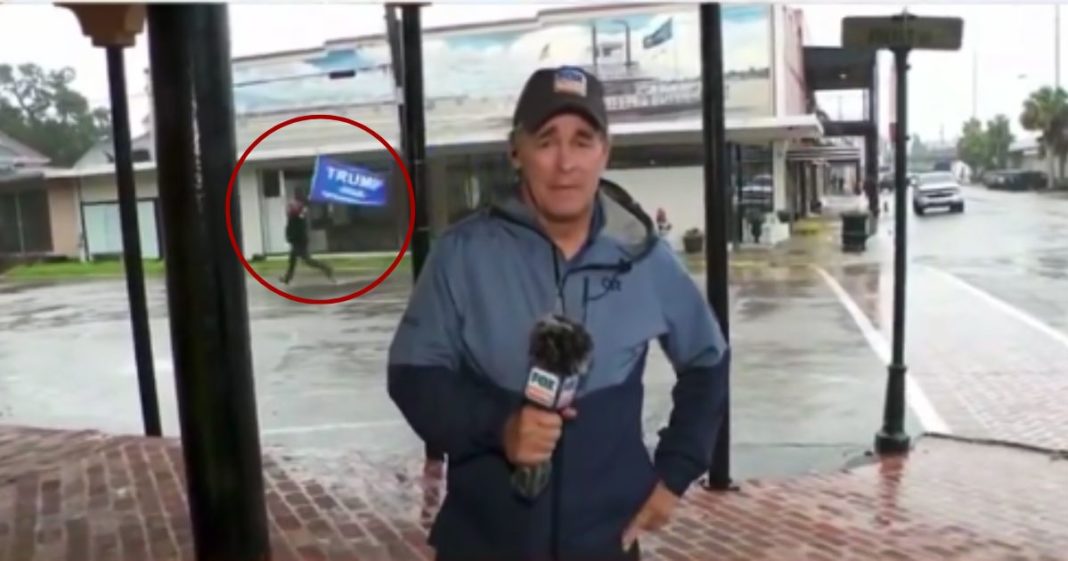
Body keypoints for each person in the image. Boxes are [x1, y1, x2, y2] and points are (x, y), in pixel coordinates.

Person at [387, 66, 729, 561]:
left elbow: (708, 361)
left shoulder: (645, 258)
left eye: (583, 140)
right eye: (546, 141)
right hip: (481, 543)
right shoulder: (462, 255)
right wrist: (500, 427)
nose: (565, 163)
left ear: (604, 152)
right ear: (516, 151)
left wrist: (675, 473)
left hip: (605, 545)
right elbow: (413, 376)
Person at [279, 191, 335, 285]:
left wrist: (292, 237)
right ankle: (287, 278)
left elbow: (296, 227)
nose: (289, 208)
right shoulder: (298, 213)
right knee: (293, 259)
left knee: (306, 260)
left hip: (299, 240)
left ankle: (327, 268)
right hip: (297, 239)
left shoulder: (298, 215)